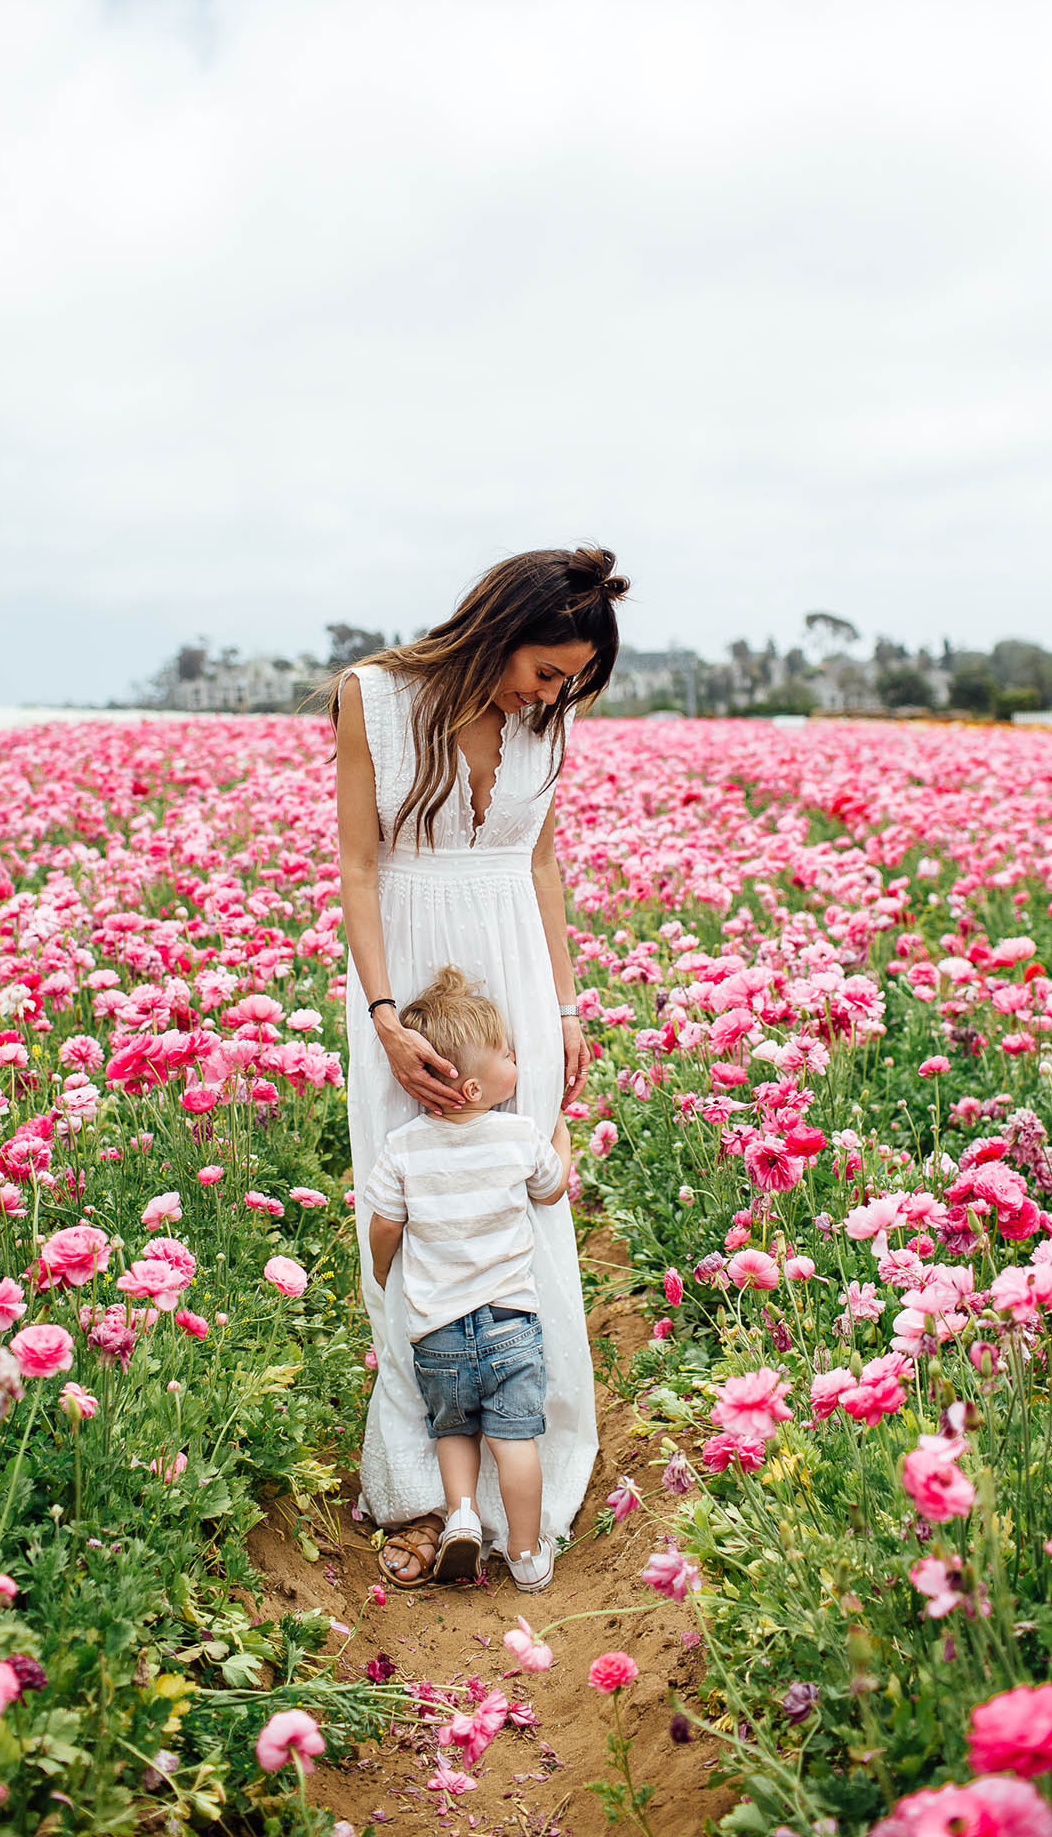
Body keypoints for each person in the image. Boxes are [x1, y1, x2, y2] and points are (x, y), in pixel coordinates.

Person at [332, 544, 628, 1586]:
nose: (551, 695)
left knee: (522, 1201)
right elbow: (358, 865)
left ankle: (529, 1466)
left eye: (568, 684)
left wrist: (561, 1003)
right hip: (408, 961)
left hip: (513, 955)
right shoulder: (373, 696)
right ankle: (421, 1483)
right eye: (545, 671)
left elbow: (541, 856)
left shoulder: (552, 721)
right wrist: (382, 1016)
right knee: (413, 1205)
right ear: (499, 626)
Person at [364, 967, 573, 1591]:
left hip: (438, 1328)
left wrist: (381, 1270)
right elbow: (553, 1187)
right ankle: (529, 1556)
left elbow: (383, 1226)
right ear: (479, 1084)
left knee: (454, 1429)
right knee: (515, 1439)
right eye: (509, 1053)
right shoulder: (519, 1134)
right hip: (510, 1320)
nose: (518, 1058)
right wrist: (562, 1135)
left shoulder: (403, 1148)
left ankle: (459, 1515)